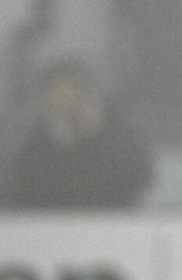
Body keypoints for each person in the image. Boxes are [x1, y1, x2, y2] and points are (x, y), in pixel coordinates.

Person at [12, 60, 154, 209]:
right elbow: (24, 189)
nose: (68, 98)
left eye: (74, 89)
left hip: (111, 218)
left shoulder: (117, 135)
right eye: (59, 92)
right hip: (54, 220)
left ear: (87, 92)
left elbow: (140, 178)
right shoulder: (37, 144)